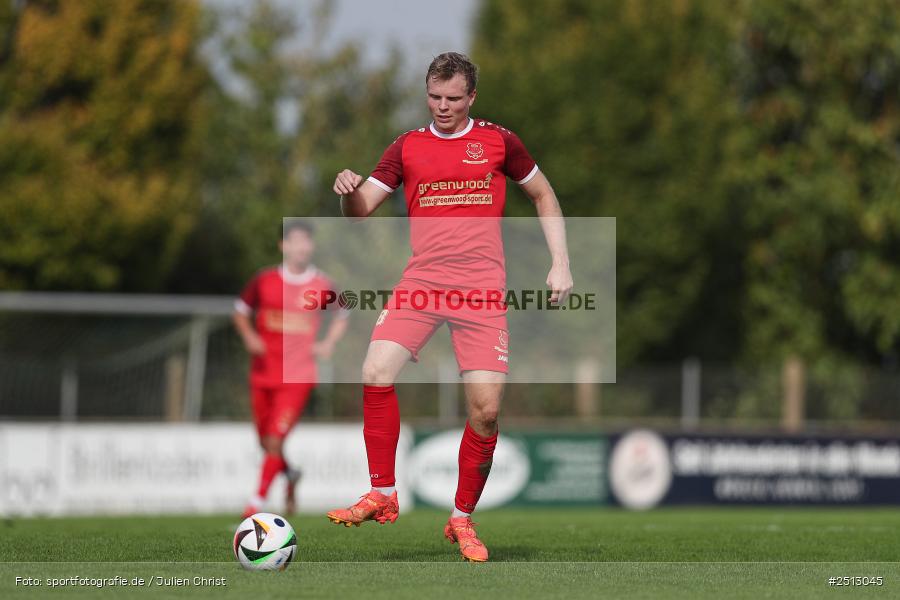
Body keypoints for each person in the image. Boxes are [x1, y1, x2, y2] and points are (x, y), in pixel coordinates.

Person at [326, 52, 572, 562]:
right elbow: (360, 211)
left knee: (486, 411)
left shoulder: (500, 142)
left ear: (472, 97)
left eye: (453, 98)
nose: (442, 106)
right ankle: (383, 492)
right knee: (375, 370)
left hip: (482, 290)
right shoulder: (407, 146)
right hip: (423, 282)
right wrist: (348, 191)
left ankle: (461, 518)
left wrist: (561, 263)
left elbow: (543, 195)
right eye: (434, 97)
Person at [233, 219, 349, 519]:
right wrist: (249, 337)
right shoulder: (265, 280)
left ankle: (254, 505)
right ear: (282, 245)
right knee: (265, 442)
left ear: (312, 246)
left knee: (275, 440)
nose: (301, 247)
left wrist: (329, 343)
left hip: (298, 376)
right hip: (262, 373)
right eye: (295, 241)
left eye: (306, 241)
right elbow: (240, 311)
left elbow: (343, 312)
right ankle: (290, 473)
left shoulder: (322, 284)